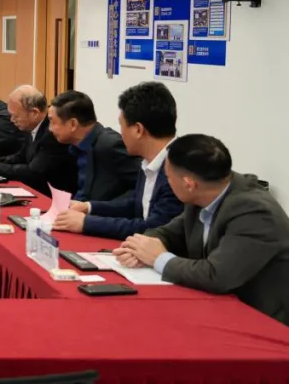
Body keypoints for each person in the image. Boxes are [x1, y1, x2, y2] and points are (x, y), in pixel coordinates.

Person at [114, 135, 289, 325]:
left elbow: (216, 276)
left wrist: (158, 259)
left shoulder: (255, 213)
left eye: (168, 177)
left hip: (262, 320)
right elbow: (168, 233)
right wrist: (141, 248)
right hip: (217, 306)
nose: (168, 183)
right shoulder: (205, 193)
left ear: (188, 184)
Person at [54, 82, 184, 239]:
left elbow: (153, 228)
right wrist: (89, 207)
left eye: (122, 126)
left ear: (138, 130)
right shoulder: (150, 162)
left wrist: (87, 223)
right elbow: (135, 203)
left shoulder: (178, 170)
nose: (120, 133)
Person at [0, 85, 76, 195]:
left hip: (52, 195)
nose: (11, 120)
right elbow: (20, 157)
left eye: (15, 116)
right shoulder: (30, 126)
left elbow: (33, 172)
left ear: (34, 113)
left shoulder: (52, 133)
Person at [48, 90, 139, 203]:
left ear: (73, 124)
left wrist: (93, 207)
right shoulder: (72, 147)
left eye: (53, 122)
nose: (50, 129)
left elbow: (141, 190)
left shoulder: (111, 145)